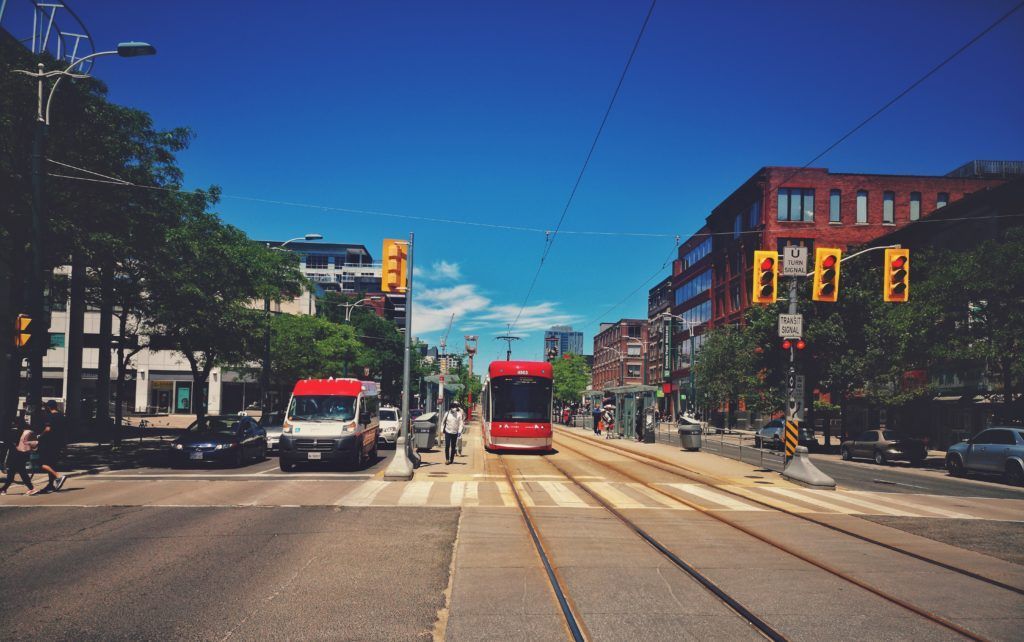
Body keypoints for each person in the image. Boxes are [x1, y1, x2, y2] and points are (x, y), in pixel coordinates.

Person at [1, 420, 39, 496]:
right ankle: (3, 489)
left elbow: (11, 443)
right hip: (24, 454)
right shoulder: (29, 431)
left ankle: (31, 488)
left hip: (17, 454)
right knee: (12, 472)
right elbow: (35, 444)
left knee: (20, 471)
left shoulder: (18, 432)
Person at [37, 401, 67, 492]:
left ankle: (58, 476)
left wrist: (40, 436)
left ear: (49, 407)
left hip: (49, 443)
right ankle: (50, 485)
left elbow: (48, 429)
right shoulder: (62, 416)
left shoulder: (49, 416)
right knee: (52, 464)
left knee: (42, 464)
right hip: (59, 443)